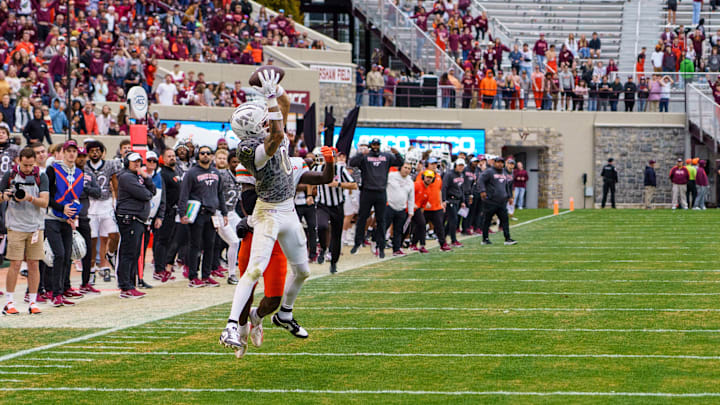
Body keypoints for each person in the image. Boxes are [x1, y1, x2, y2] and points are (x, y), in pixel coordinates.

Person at [222, 71, 314, 356]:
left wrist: (274, 88)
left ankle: (283, 314)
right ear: (252, 129)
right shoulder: (249, 149)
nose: (268, 119)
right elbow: (274, 134)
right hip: (268, 213)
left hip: (288, 211)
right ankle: (231, 326)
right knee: (254, 270)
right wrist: (270, 97)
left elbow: (283, 108)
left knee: (303, 271)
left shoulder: (269, 131)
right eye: (261, 119)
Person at [0, 147, 49, 315]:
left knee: (34, 264)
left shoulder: (41, 176)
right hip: (15, 226)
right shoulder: (10, 176)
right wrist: (5, 196)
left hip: (35, 226)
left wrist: (29, 198)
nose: (27, 168)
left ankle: (33, 301)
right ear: (18, 161)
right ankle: (9, 302)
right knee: (15, 264)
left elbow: (45, 202)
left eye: (30, 165)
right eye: (25, 165)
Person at [177, 145, 227, 287]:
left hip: (212, 214)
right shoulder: (192, 173)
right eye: (202, 153)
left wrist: (224, 212)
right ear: (198, 156)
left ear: (212, 156)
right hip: (197, 213)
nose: (205, 155)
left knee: (210, 245)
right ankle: (193, 276)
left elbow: (220, 194)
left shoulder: (216, 172)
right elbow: (184, 193)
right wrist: (182, 213)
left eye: (208, 153)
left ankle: (206, 275)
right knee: (195, 246)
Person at [45, 140, 84, 307]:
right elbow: (48, 196)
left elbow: (76, 196)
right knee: (58, 254)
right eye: (69, 150)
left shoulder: (79, 173)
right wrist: (62, 208)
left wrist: (72, 213)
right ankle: (54, 293)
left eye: (74, 151)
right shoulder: (52, 169)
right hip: (52, 218)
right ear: (63, 151)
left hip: (66, 219)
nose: (71, 154)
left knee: (67, 255)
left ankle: (62, 289)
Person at [349, 138, 403, 258]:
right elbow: (352, 163)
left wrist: (397, 152)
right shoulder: (365, 156)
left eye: (377, 144)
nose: (375, 147)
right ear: (370, 145)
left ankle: (381, 245)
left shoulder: (386, 156)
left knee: (381, 220)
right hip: (367, 191)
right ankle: (358, 243)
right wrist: (360, 154)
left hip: (380, 191)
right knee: (362, 218)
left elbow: (400, 162)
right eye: (373, 144)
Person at [115, 152, 156, 298]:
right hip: (129, 218)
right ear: (127, 162)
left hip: (137, 218)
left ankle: (129, 284)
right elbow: (146, 195)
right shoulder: (126, 177)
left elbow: (153, 191)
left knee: (134, 253)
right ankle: (126, 286)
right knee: (128, 253)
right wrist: (146, 184)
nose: (137, 163)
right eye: (134, 161)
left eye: (139, 161)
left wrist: (146, 178)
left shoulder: (137, 176)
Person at [314, 149, 356, 273]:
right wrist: (310, 195)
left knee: (336, 235)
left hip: (337, 205)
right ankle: (322, 248)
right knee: (321, 226)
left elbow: (353, 184)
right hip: (322, 203)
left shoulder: (339, 169)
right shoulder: (316, 169)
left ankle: (334, 263)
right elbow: (311, 182)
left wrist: (338, 184)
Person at [85, 140, 121, 283]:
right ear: (88, 153)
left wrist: (117, 200)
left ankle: (110, 254)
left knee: (115, 235)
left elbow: (115, 183)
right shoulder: (84, 167)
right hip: (90, 205)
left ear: (102, 152)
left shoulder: (109, 165)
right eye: (92, 150)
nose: (95, 153)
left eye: (97, 150)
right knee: (93, 241)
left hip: (106, 204)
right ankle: (92, 270)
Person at [75, 147, 102, 294]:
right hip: (70, 217)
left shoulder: (89, 175)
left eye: (83, 156)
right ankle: (63, 284)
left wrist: (85, 189)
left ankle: (85, 282)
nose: (81, 159)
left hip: (84, 216)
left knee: (87, 251)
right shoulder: (69, 172)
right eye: (79, 156)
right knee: (67, 252)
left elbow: (98, 192)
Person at [213, 148, 241, 283]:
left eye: (238, 162)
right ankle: (231, 274)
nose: (236, 164)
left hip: (232, 212)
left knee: (249, 234)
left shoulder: (242, 175)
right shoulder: (223, 175)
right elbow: (214, 192)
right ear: (229, 163)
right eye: (234, 162)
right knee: (234, 242)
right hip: (220, 213)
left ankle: (248, 268)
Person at [152, 148, 181, 283]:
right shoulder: (162, 174)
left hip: (175, 212)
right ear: (163, 158)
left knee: (169, 241)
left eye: (173, 156)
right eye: (169, 156)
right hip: (165, 212)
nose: (172, 158)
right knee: (161, 241)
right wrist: (163, 212)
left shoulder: (176, 172)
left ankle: (164, 266)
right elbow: (161, 194)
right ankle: (158, 269)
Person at [477, 156, 516, 245]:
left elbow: (507, 186)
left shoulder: (504, 172)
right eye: (498, 162)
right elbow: (480, 180)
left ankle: (507, 238)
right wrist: (482, 191)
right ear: (494, 163)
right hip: (491, 201)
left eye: (501, 162)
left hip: (502, 201)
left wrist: (509, 197)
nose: (500, 164)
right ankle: (485, 239)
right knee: (487, 220)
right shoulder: (489, 171)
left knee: (505, 220)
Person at [385, 162, 414, 257]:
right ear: (401, 168)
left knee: (399, 230)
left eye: (409, 168)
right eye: (405, 167)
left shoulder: (410, 181)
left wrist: (410, 211)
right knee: (384, 227)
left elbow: (411, 197)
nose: (406, 170)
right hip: (389, 205)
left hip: (402, 208)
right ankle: (378, 246)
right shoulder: (391, 176)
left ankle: (396, 249)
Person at [442, 158, 469, 248]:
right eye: (459, 165)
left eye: (462, 166)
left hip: (457, 200)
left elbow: (461, 188)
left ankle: (443, 238)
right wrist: (444, 200)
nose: (461, 167)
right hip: (450, 199)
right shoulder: (449, 175)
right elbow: (444, 187)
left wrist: (463, 200)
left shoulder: (461, 175)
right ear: (455, 166)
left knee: (451, 221)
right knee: (454, 220)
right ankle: (453, 240)